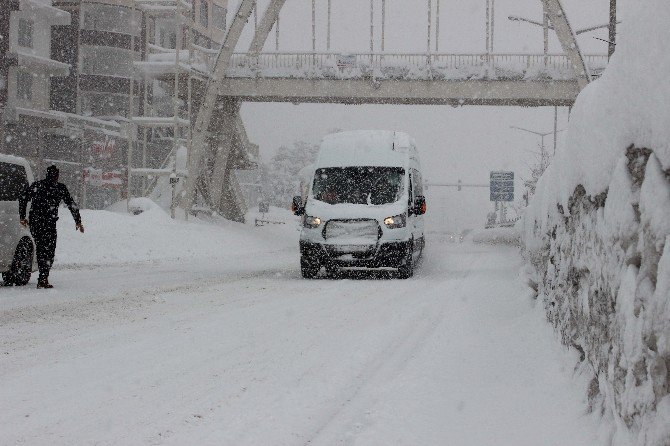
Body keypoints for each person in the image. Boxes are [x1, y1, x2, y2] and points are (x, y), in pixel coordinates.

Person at [19, 165, 84, 289]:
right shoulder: (59, 188)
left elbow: (23, 197)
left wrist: (22, 216)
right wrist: (78, 221)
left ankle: (43, 277)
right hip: (48, 224)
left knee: (41, 249)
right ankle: (43, 277)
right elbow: (71, 204)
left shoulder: (37, 185)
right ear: (57, 175)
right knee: (49, 251)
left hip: (36, 223)